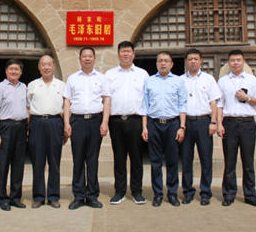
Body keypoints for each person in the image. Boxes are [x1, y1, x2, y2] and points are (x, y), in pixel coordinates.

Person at [63, 47, 110, 210]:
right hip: (77, 121)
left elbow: (106, 100)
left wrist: (105, 122)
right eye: (84, 56)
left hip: (95, 121)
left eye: (90, 56)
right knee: (78, 159)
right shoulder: (72, 78)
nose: (87, 59)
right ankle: (78, 196)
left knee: (92, 160)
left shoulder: (102, 78)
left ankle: (91, 196)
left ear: (94, 58)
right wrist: (66, 123)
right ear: (80, 58)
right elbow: (67, 101)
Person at [217, 49, 256, 207]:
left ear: (243, 62)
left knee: (248, 162)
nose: (235, 63)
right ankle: (229, 194)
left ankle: (250, 195)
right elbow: (219, 104)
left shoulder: (252, 80)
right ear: (228, 63)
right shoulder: (223, 81)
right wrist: (219, 124)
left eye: (238, 60)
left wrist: (247, 97)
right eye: (232, 60)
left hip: (247, 124)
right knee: (229, 161)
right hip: (229, 123)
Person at [105, 41, 149, 205]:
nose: (125, 54)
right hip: (116, 121)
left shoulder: (142, 74)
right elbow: (106, 99)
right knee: (119, 157)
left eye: (128, 51)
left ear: (133, 54)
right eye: (123, 51)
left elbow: (146, 101)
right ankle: (120, 191)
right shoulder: (110, 74)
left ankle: (137, 192)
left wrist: (145, 125)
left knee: (137, 158)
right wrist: (105, 121)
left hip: (135, 120)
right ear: (118, 54)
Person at [142, 51, 187, 207]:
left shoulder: (178, 81)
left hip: (172, 123)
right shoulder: (149, 81)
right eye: (160, 60)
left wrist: (182, 126)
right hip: (154, 123)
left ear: (171, 64)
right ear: (156, 64)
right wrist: (144, 127)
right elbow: (144, 106)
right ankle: (158, 194)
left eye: (166, 61)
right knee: (155, 161)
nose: (163, 63)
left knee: (172, 160)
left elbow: (182, 105)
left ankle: (172, 194)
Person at [180, 49, 221, 206]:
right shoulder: (180, 80)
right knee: (186, 159)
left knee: (206, 159)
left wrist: (213, 122)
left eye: (195, 59)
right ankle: (188, 191)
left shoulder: (208, 79)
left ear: (200, 60)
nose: (193, 61)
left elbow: (213, 102)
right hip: (186, 122)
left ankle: (205, 192)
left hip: (204, 122)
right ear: (186, 61)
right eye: (190, 59)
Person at [27, 55, 65, 209]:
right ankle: (38, 197)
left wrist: (66, 126)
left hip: (55, 122)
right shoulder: (32, 85)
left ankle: (54, 196)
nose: (46, 67)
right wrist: (27, 128)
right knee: (38, 162)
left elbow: (67, 106)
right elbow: (27, 107)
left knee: (54, 162)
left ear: (54, 66)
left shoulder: (61, 85)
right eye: (43, 64)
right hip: (37, 123)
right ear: (39, 67)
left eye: (49, 64)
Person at [0, 59, 29, 211]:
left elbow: (27, 109)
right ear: (6, 71)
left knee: (18, 164)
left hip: (21, 127)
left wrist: (27, 128)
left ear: (21, 72)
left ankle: (15, 197)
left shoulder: (24, 87)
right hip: (5, 127)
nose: (14, 71)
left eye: (17, 69)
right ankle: (2, 198)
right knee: (3, 164)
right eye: (11, 69)